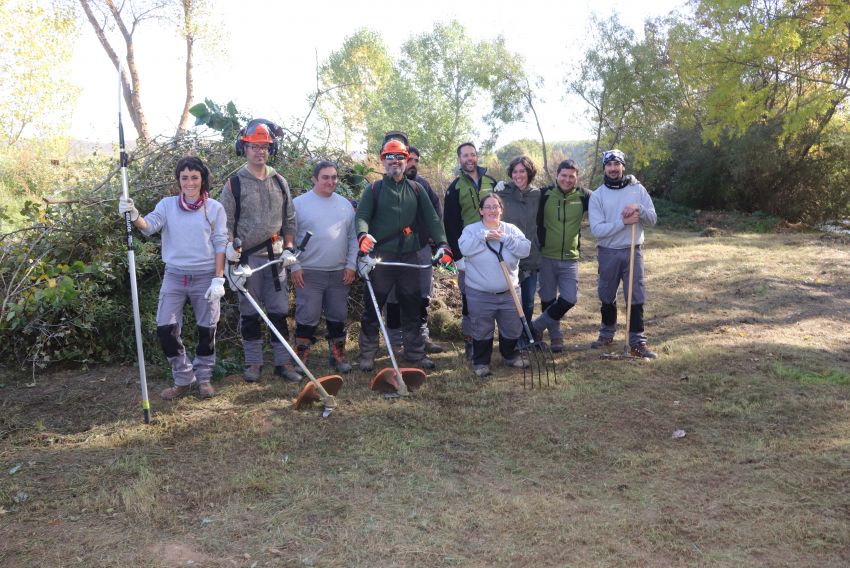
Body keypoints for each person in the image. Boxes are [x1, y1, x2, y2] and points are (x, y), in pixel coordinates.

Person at [118, 157, 227, 400]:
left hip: (205, 276)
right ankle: (184, 378)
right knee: (165, 328)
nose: (189, 182)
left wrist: (218, 279)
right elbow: (148, 227)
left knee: (207, 329)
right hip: (175, 276)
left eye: (194, 177)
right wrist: (133, 214)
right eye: (184, 177)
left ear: (202, 179)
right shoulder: (167, 205)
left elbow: (221, 243)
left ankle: (205, 378)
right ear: (178, 180)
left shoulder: (215, 208)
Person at [355, 139, 451, 372]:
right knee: (373, 308)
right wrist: (363, 236)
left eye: (399, 157)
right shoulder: (374, 189)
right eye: (390, 157)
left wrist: (443, 244)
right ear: (383, 160)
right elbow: (361, 216)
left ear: (406, 160)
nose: (395, 162)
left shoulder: (417, 189)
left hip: (409, 258)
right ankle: (367, 354)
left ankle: (415, 354)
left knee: (412, 306)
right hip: (382, 259)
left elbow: (432, 219)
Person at [220, 119, 301, 382]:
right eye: (254, 146)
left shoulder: (280, 181)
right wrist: (231, 256)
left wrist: (289, 249)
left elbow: (289, 220)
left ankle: (283, 362)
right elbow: (226, 225)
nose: (260, 152)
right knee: (250, 312)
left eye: (265, 147)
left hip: (276, 259)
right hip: (247, 259)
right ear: (244, 148)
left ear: (271, 149)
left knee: (279, 311)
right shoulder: (234, 184)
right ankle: (253, 363)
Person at [588, 149, 658, 358]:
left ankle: (637, 341)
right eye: (609, 165)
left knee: (635, 296)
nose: (613, 168)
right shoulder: (597, 195)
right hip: (608, 252)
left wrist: (639, 208)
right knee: (607, 295)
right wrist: (623, 223)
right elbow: (597, 230)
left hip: (632, 249)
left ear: (623, 166)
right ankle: (607, 334)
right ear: (604, 168)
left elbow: (652, 219)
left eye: (616, 164)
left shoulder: (637, 190)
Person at [290, 161, 358, 373]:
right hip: (308, 271)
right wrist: (294, 266)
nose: (331, 181)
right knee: (307, 315)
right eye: (325, 177)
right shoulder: (299, 204)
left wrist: (351, 265)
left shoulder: (345, 205)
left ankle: (338, 355)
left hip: (339, 273)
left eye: (334, 177)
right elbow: (289, 238)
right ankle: (301, 355)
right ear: (314, 179)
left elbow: (353, 238)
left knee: (337, 315)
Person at [458, 193, 531, 378]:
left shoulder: (511, 230)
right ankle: (481, 362)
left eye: (495, 206)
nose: (492, 210)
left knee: (512, 326)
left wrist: (505, 239)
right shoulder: (471, 230)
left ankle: (510, 356)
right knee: (481, 328)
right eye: (488, 207)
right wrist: (484, 236)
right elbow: (464, 248)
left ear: (501, 210)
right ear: (481, 211)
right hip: (480, 292)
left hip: (509, 291)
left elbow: (525, 249)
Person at [385, 145, 446, 355]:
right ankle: (395, 342)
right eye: (409, 159)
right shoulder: (384, 186)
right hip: (391, 251)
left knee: (421, 296)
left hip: (420, 250)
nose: (412, 164)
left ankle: (421, 337)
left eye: (416, 161)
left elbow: (436, 214)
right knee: (393, 297)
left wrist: (432, 239)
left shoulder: (423, 186)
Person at [530, 159, 592, 352]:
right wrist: (502, 188)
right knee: (548, 299)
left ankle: (536, 326)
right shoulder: (543, 194)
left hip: (570, 257)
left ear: (577, 177)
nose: (567, 179)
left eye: (571, 176)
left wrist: (630, 185)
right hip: (546, 256)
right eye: (563, 175)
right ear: (557, 175)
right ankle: (556, 337)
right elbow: (520, 195)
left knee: (569, 298)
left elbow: (607, 199)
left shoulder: (584, 196)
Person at [443, 142, 498, 358]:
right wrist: (457, 256)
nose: (469, 159)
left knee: (493, 293)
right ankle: (470, 340)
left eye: (472, 155)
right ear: (459, 159)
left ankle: (489, 339)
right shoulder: (454, 187)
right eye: (465, 155)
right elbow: (450, 223)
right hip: (469, 252)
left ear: (477, 157)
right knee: (469, 298)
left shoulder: (491, 182)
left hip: (493, 249)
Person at [495, 155, 542, 333]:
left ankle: (526, 336)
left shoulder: (538, 194)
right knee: (510, 301)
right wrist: (497, 188)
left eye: (522, 171)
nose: (518, 175)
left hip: (531, 254)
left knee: (528, 301)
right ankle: (509, 337)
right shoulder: (503, 194)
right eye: (515, 171)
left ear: (529, 173)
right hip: (508, 255)